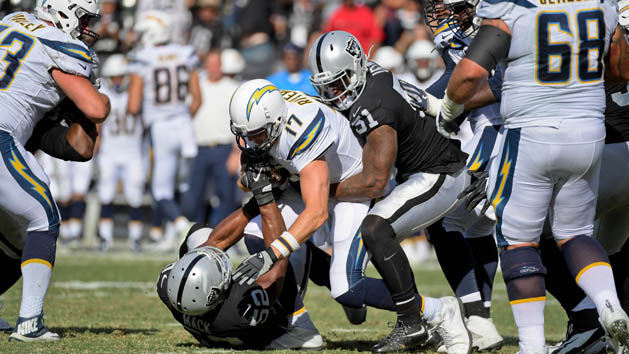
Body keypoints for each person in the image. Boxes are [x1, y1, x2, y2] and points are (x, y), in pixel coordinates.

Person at [227, 79, 470, 353]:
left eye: (258, 134)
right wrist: (258, 178)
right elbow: (245, 181)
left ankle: (439, 310)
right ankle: (300, 327)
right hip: (309, 180)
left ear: (276, 121)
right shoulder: (263, 119)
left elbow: (316, 212)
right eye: (245, 134)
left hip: (350, 187)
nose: (251, 142)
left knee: (346, 289)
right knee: (257, 233)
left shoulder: (301, 128)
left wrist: (273, 254)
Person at [438, 0, 627, 351]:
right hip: (588, 132)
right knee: (576, 234)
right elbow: (620, 66)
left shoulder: (511, 7)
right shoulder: (600, 3)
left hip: (530, 133)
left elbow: (468, 75)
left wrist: (449, 107)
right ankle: (609, 304)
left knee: (519, 242)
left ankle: (532, 345)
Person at [308, 30, 471, 353]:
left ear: (355, 68)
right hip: (422, 171)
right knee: (367, 238)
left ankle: (419, 319)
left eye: (338, 83)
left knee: (376, 229)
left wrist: (320, 189)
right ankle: (409, 317)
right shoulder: (374, 73)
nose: (333, 92)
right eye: (326, 85)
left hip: (439, 173)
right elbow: (425, 100)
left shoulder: (373, 105)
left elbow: (374, 183)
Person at [0, 0, 110, 341]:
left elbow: (78, 147)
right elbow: (96, 108)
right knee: (43, 220)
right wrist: (99, 96)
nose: (89, 27)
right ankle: (30, 322)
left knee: (18, 238)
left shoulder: (11, 21)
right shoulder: (58, 46)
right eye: (86, 18)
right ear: (65, 12)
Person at [419, 0, 505, 351]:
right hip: (491, 132)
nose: (439, 16)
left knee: (441, 221)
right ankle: (480, 319)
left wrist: (434, 102)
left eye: (448, 8)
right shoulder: (471, 33)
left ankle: (476, 317)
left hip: (497, 132)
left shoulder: (494, 29)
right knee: (480, 225)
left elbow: (489, 84)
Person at [127, 10, 202, 251]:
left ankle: (181, 228)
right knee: (182, 185)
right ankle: (173, 235)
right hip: (185, 125)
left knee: (160, 189)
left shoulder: (143, 58)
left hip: (161, 128)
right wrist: (180, 116)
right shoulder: (184, 52)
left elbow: (133, 105)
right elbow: (197, 99)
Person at [182, 50, 240, 227]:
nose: (215, 68)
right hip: (200, 147)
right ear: (206, 66)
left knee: (226, 194)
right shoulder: (197, 86)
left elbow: (239, 121)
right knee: (195, 194)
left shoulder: (232, 87)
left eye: (218, 64)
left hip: (224, 148)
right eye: (211, 64)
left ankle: (225, 233)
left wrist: (236, 152)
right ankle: (195, 233)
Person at [97, 54, 145, 252]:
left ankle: (135, 238)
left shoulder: (136, 95)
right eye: (113, 77)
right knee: (105, 194)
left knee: (135, 195)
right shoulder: (103, 94)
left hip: (133, 152)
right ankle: (105, 238)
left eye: (120, 76)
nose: (116, 81)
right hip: (109, 152)